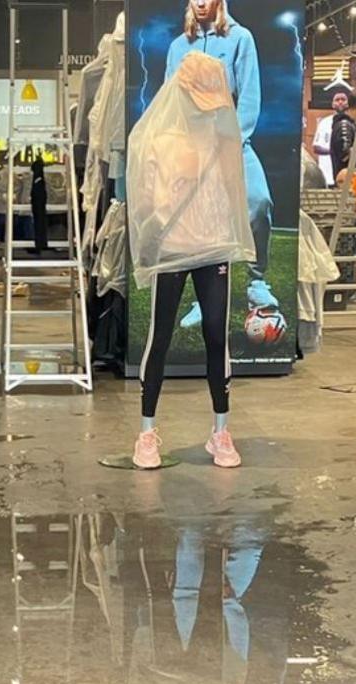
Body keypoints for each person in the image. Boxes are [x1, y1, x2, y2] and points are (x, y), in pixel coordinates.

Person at [128, 52, 255, 470]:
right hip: (175, 247)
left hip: (213, 247)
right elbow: (146, 200)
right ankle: (146, 432)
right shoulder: (158, 140)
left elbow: (234, 197)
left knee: (217, 334)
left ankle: (221, 430)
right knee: (160, 334)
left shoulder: (221, 140)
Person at [164, 0, 280, 330]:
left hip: (233, 142)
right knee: (203, 220)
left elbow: (249, 96)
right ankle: (204, 299)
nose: (200, 2)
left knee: (258, 202)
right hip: (192, 147)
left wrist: (231, 141)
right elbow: (170, 99)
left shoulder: (241, 38)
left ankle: (256, 282)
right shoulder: (177, 47)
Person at [312, 92, 352, 187]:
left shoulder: (353, 122)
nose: (340, 102)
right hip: (327, 175)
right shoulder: (324, 123)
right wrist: (335, 152)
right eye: (337, 100)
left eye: (343, 99)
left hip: (347, 176)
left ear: (348, 103)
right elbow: (316, 147)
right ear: (333, 104)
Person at [328, 93, 356, 181]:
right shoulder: (345, 125)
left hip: (349, 179)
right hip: (347, 181)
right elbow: (344, 155)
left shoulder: (348, 124)